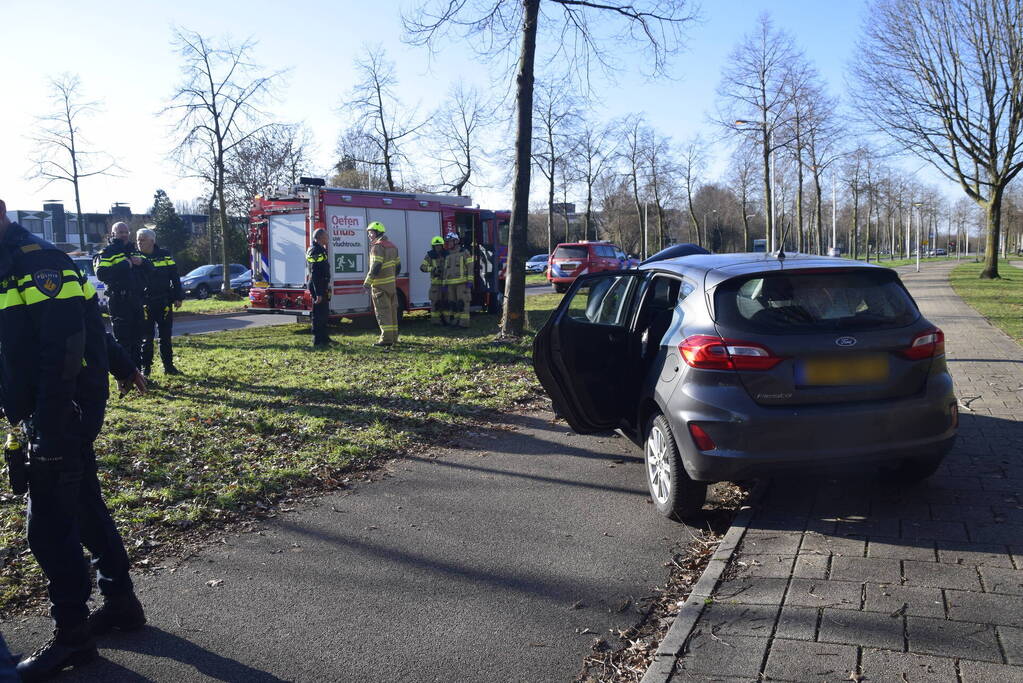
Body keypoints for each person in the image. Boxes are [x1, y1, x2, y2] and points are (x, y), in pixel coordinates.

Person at [0, 200, 147, 681]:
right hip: (54, 406)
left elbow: (65, 345)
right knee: (83, 504)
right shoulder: (14, 260)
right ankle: (121, 604)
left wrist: (50, 423)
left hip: (62, 408)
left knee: (47, 524)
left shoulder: (35, 260)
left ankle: (73, 637)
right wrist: (123, 364)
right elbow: (89, 323)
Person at [96, 222, 148, 370]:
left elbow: (150, 270)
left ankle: (139, 375)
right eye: (120, 232)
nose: (124, 235)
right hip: (119, 300)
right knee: (123, 341)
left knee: (137, 339)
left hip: (136, 300)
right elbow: (101, 274)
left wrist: (143, 262)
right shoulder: (107, 252)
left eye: (126, 232)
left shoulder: (133, 250)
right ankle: (126, 377)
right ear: (113, 234)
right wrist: (126, 264)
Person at [136, 227, 183, 376]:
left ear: (152, 241)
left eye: (142, 240)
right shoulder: (135, 257)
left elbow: (174, 276)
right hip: (144, 303)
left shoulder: (164, 255)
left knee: (165, 336)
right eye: (138, 240)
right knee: (146, 337)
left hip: (164, 302)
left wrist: (178, 296)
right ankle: (146, 370)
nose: (139, 242)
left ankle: (168, 367)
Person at [363, 221, 400, 348]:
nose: (369, 235)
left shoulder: (377, 247)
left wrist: (367, 282)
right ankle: (394, 337)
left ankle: (386, 339)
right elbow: (398, 266)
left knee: (383, 312)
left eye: (371, 232)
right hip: (391, 286)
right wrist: (392, 279)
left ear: (377, 232)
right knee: (392, 312)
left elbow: (376, 266)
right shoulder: (392, 246)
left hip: (379, 286)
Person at [306, 228, 333, 348]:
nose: (328, 238)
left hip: (322, 284)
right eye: (326, 236)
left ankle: (324, 338)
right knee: (318, 313)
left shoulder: (320, 249)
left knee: (324, 312)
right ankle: (317, 340)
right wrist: (318, 293)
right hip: (318, 285)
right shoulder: (315, 251)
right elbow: (315, 273)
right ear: (320, 237)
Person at [442, 232, 473, 329]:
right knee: (453, 304)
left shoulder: (464, 252)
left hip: (462, 283)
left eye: (450, 242)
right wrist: (444, 284)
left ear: (456, 241)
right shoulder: (447, 254)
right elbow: (445, 270)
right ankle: (455, 322)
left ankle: (463, 323)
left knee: (462, 303)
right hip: (450, 284)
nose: (448, 244)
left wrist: (470, 280)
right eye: (448, 242)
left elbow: (470, 267)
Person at [419, 236, 448, 325]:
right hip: (435, 285)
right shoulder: (430, 255)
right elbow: (422, 267)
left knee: (446, 303)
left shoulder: (447, 254)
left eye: (439, 245)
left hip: (446, 284)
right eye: (436, 246)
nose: (438, 247)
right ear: (433, 246)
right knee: (435, 303)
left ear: (442, 246)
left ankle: (446, 320)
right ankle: (436, 321)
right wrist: (433, 269)